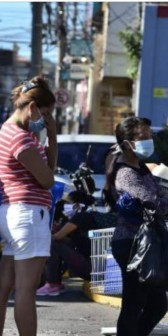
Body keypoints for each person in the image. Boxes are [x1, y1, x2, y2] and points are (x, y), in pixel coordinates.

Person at [0, 76, 57, 336]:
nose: (46, 120)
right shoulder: (22, 139)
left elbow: (47, 171)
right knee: (26, 289)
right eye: (45, 114)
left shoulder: (9, 131)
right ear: (32, 107)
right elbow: (48, 178)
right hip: (28, 214)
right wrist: (51, 136)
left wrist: (50, 135)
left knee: (3, 284)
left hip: (11, 212)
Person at [105, 116, 168, 336]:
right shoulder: (125, 174)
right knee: (134, 303)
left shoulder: (142, 168)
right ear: (127, 143)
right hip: (133, 244)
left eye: (150, 135)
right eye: (143, 137)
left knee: (157, 304)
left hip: (148, 243)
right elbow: (154, 203)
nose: (149, 140)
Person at [36, 190, 96, 296]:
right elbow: (71, 242)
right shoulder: (88, 216)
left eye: (68, 203)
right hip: (91, 266)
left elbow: (58, 237)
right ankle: (52, 282)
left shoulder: (80, 217)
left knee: (52, 244)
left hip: (90, 268)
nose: (65, 206)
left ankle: (53, 284)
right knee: (57, 244)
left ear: (76, 205)